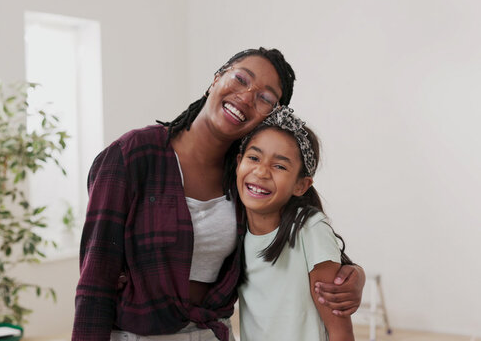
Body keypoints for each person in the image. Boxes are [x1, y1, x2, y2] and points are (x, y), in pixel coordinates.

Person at [73, 48, 365, 341]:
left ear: (272, 115)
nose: (247, 96)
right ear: (216, 79)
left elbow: (306, 238)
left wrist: (353, 276)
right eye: (241, 79)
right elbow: (96, 279)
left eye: (265, 98)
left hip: (213, 333)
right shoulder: (133, 155)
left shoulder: (247, 177)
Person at [236, 106, 354, 340]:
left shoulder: (310, 229)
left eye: (279, 166)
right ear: (239, 162)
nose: (261, 171)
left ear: (301, 185)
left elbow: (340, 330)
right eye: (254, 158)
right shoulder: (235, 228)